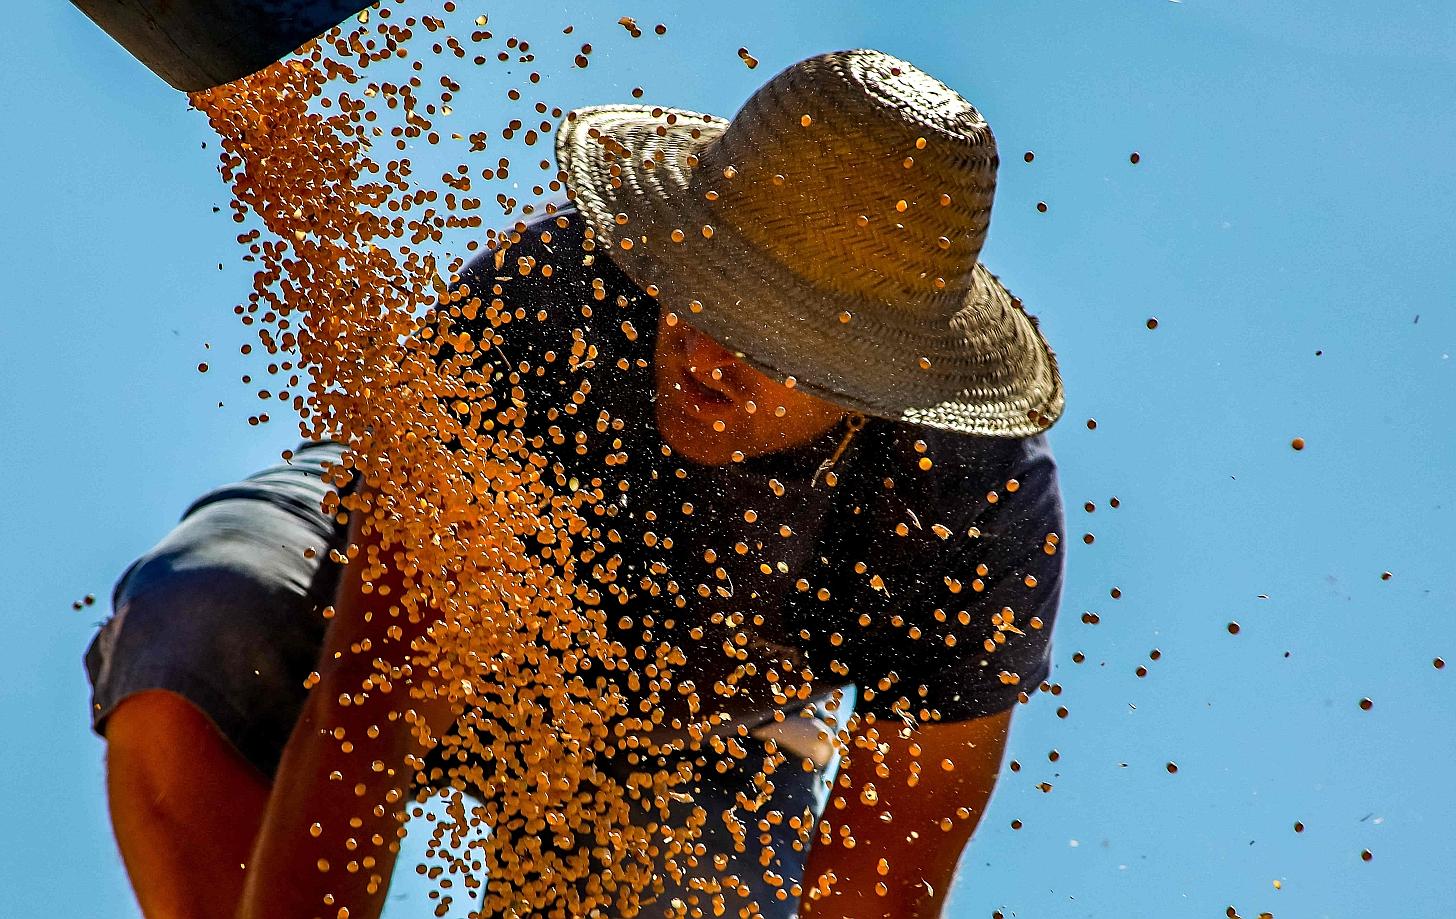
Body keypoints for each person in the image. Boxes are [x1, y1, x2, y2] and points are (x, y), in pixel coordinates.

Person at [86, 50, 1066, 919]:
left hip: (707, 725)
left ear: (880, 379)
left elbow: (880, 884)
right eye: (711, 282)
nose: (713, 349)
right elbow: (372, 695)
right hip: (413, 584)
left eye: (779, 337)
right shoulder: (547, 302)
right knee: (202, 619)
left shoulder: (971, 510)